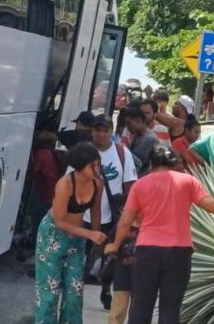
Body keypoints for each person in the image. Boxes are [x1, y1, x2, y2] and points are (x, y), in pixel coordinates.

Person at [104, 146, 214, 324]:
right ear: (174, 163)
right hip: (179, 253)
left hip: (147, 252)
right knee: (171, 308)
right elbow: (213, 207)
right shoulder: (188, 181)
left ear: (151, 164)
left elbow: (126, 221)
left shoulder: (140, 185)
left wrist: (114, 244)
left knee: (141, 307)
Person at [67, 115, 138, 314]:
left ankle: (106, 289)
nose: (101, 134)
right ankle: (74, 297)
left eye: (105, 130)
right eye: (98, 130)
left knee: (111, 257)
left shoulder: (122, 153)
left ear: (111, 131)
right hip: (83, 216)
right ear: (92, 131)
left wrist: (131, 214)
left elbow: (130, 184)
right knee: (79, 258)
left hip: (112, 216)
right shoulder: (82, 152)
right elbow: (68, 180)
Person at [34, 143, 107, 324]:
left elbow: (96, 210)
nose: (97, 169)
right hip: (52, 237)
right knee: (49, 292)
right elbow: (59, 222)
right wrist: (89, 234)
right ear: (81, 166)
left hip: (77, 240)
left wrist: (96, 235)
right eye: (93, 165)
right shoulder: (65, 184)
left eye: (98, 164)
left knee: (75, 291)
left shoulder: (98, 183)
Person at [125, 107, 160, 177]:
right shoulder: (137, 136)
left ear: (138, 121)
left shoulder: (151, 140)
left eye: (129, 123)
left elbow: (154, 166)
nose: (127, 127)